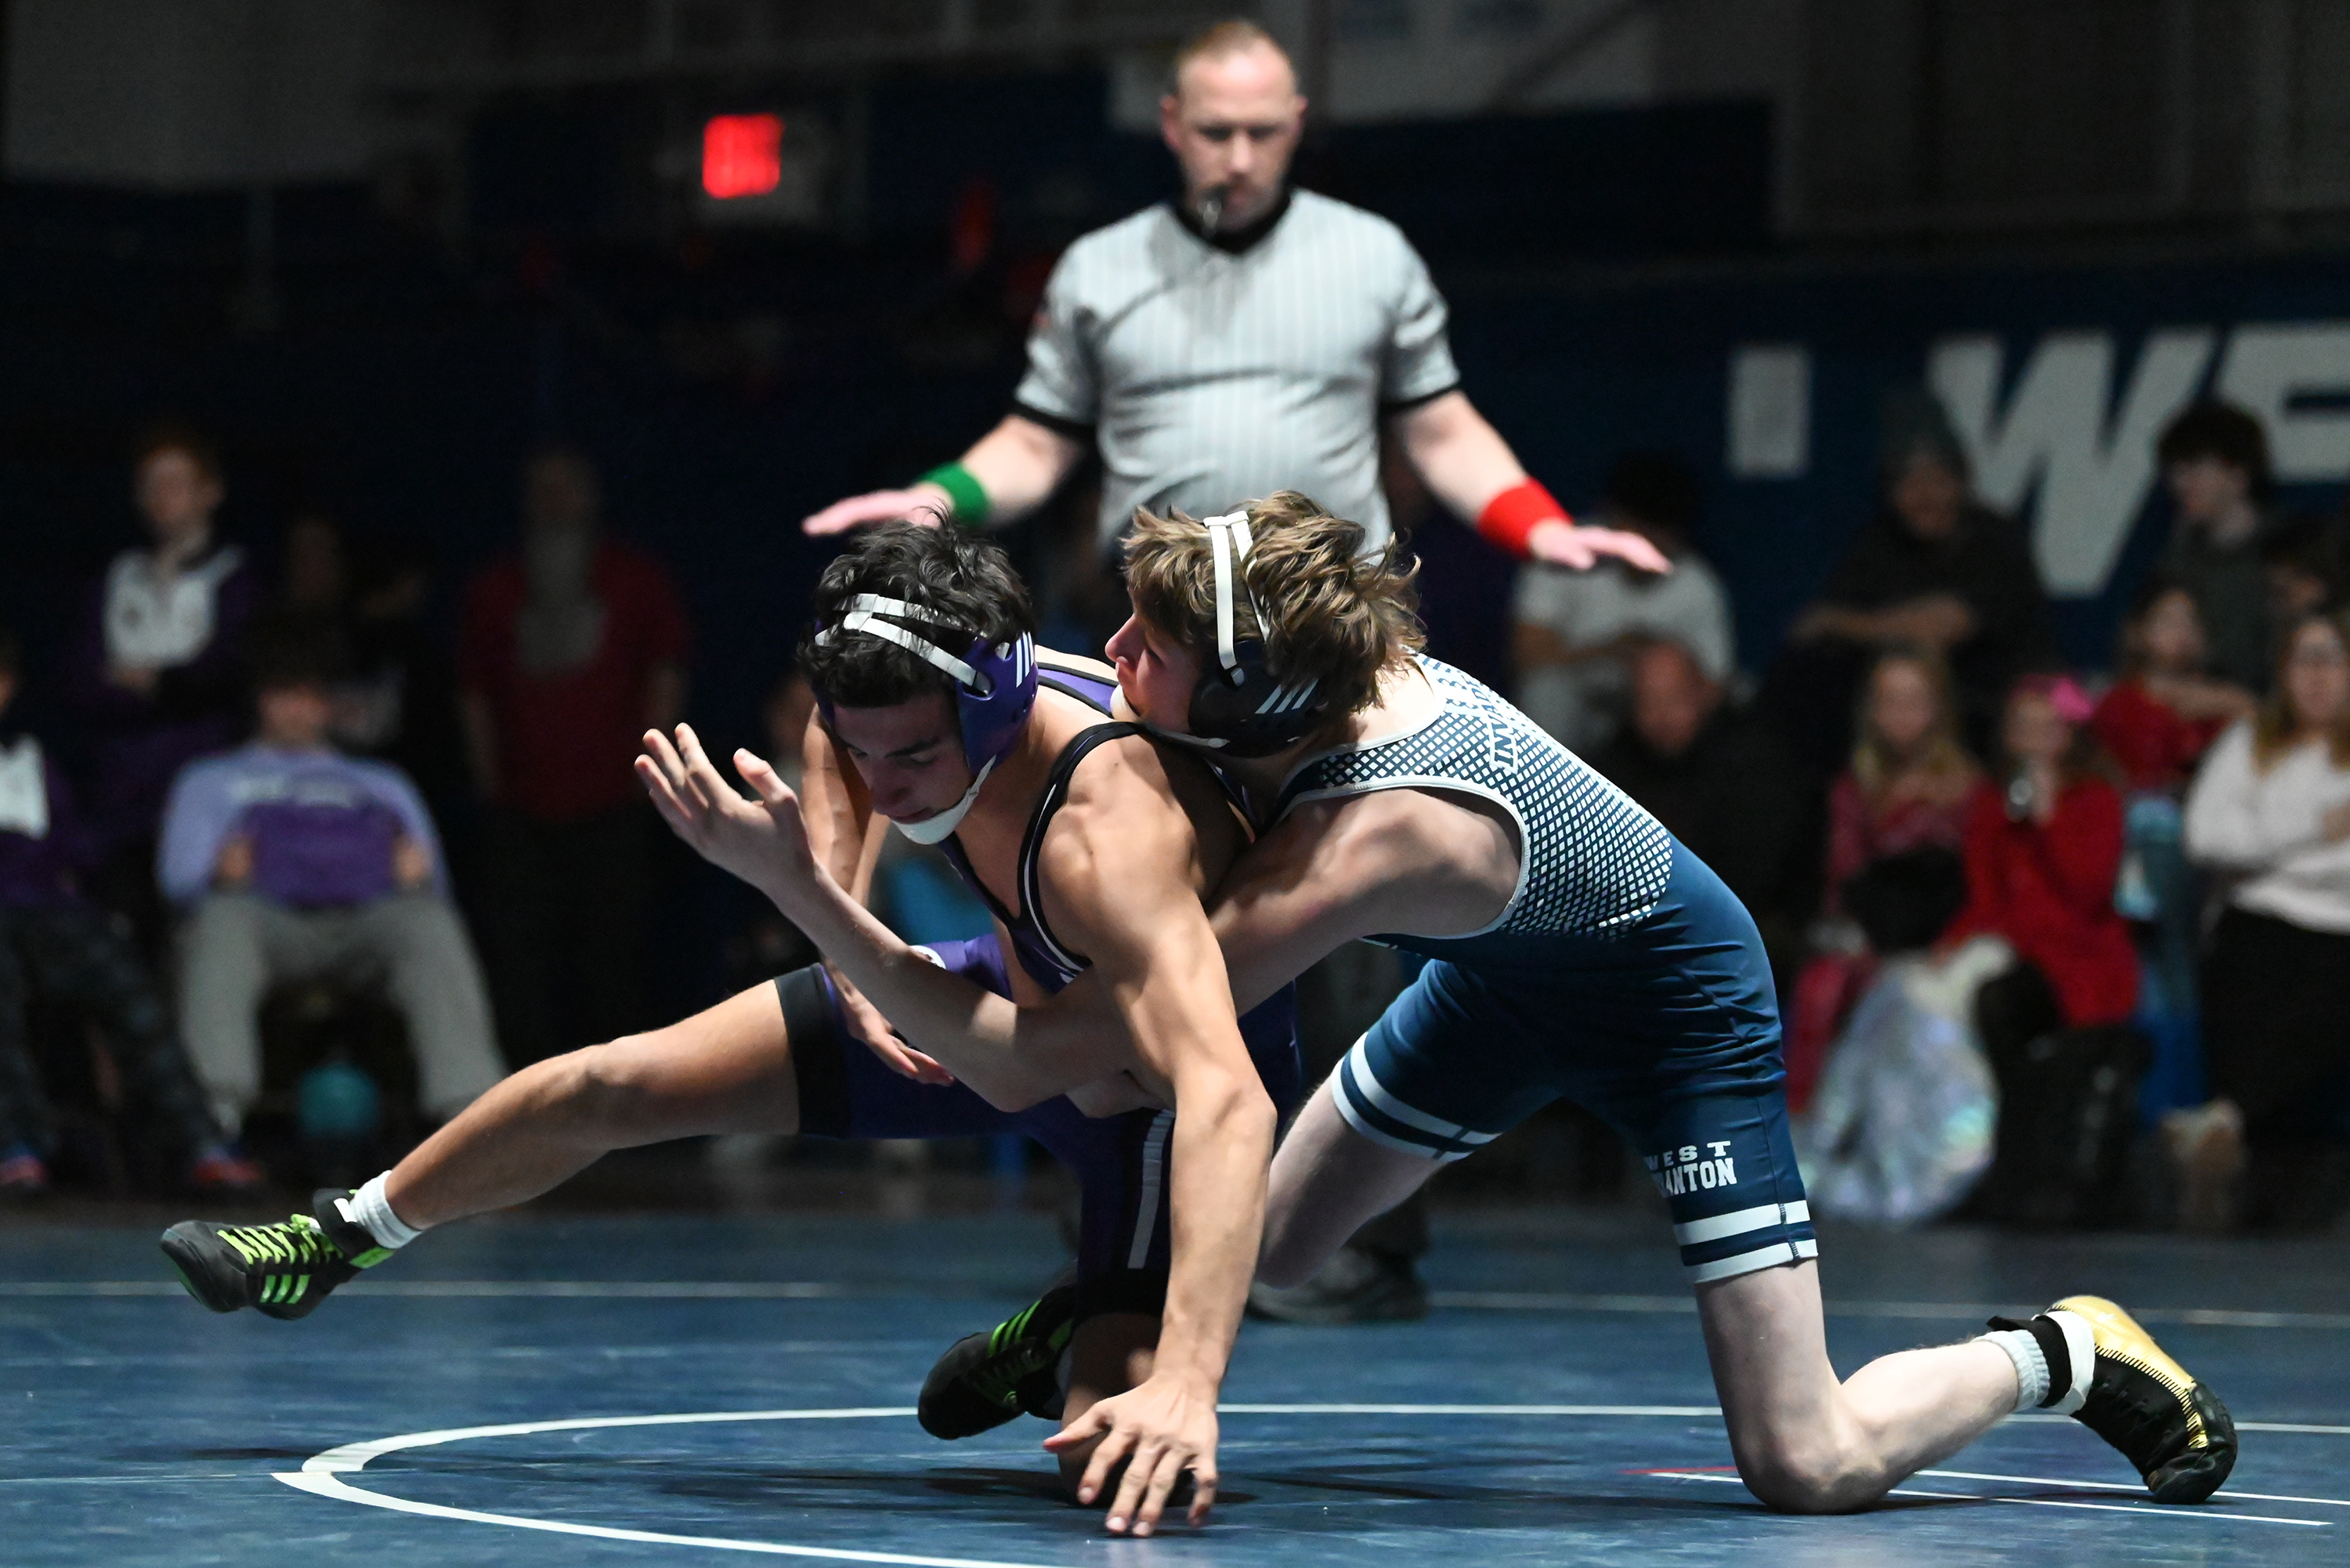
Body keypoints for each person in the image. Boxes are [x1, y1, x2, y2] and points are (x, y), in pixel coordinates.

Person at [704, 493, 2234, 1519]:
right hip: (1500, 987)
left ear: (1243, 705)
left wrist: (1187, 1387)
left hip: (1678, 1008)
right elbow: (1027, 679)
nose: (1106, 664)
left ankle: (2068, 1347)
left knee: (1807, 1459)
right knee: (1262, 1250)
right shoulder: (1274, 669)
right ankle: (1083, 1315)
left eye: (1142, 651)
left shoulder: (1372, 835)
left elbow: (1067, 1050)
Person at [159, 523, 1300, 1539]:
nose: (888, 784)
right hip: (1002, 1005)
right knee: (616, 1082)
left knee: (1112, 1466)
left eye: (913, 757)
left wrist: (1189, 1383)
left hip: (1154, 1103)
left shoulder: (1108, 836)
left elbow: (1228, 1099)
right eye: (867, 749)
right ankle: (335, 1237)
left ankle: (1066, 1325)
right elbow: (837, 742)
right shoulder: (915, 700)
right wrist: (845, 934)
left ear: (997, 707)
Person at [801, 20, 1664, 583]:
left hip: (1338, 610)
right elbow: (1035, 443)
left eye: (1263, 131)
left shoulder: (1374, 255)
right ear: (1172, 125)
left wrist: (1540, 528)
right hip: (1156, 619)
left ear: (1297, 122)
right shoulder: (1099, 269)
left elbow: (1443, 432)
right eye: (1217, 132)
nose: (1241, 158)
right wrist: (937, 499)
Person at [159, 620, 504, 1138]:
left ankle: (472, 1120)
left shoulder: (380, 782)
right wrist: (219, 872)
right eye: (284, 694)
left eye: (311, 695)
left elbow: (436, 884)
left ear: (329, 703)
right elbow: (177, 883)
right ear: (259, 699)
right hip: (266, 924)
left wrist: (417, 874)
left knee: (429, 923)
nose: (297, 709)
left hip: (363, 924)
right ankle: (214, 1118)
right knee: (218, 921)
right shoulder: (212, 780)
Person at [0, 625, 255, 1196]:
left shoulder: (31, 761)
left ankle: (200, 1143)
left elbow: (76, 847)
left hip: (49, 913)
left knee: (129, 987)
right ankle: (14, 1146)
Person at [459, 445, 690, 1064]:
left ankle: (622, 1086)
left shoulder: (636, 579)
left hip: (615, 802)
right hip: (519, 808)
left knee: (615, 956)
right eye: (542, 490)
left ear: (592, 497)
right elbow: (474, 692)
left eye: (566, 488)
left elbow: (664, 674)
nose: (554, 503)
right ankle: (526, 1089)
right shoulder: (495, 587)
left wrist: (652, 774)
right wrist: (489, 783)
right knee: (520, 962)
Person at [1767, 390, 2057, 768]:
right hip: (1899, 721)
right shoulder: (1878, 545)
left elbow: (1939, 627)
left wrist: (1838, 622)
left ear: (1961, 480)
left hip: (1992, 719)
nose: (1924, 496)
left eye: (1937, 480)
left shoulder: (1996, 540)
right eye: (1908, 484)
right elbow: (1814, 629)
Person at [2178, 610, 2350, 1231]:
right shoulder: (2249, 742)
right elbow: (2204, 839)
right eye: (2305, 659)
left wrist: (2261, 849)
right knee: (2247, 963)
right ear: (2282, 671)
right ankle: (2231, 1147)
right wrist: (2316, 831)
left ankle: (2224, 1125)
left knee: (2328, 991)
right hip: (2255, 918)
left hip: (2340, 930)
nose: (2318, 676)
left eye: (2333, 659)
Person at [67, 426, 261, 947]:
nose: (161, 497)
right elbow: (84, 681)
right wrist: (156, 687)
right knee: (125, 926)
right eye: (150, 484)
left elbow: (224, 675)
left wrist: (155, 681)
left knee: (202, 928)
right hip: (123, 792)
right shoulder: (116, 579)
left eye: (176, 483)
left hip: (202, 781)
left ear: (210, 491)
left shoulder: (233, 577)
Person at [1783, 647, 1983, 1108]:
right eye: (1889, 701)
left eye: (1916, 701)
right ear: (1869, 711)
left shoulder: (1968, 791)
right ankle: (1806, 1124)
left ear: (1940, 709)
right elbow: (1845, 882)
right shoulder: (1854, 789)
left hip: (1947, 942)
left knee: (1914, 994)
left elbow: (1980, 884)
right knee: (1820, 985)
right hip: (1872, 937)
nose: (1902, 714)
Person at [1589, 638, 1810, 975]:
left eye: (1674, 702)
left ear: (1706, 694)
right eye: (1648, 704)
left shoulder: (1755, 764)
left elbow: (1754, 882)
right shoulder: (1613, 766)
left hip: (1743, 937)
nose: (1661, 718)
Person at [1941, 674, 2137, 1054]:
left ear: (2069, 735)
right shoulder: (1991, 803)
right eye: (2023, 728)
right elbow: (1984, 892)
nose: (2034, 740)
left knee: (2000, 1000)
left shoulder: (2095, 800)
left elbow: (2090, 892)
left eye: (2047, 728)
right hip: (2009, 948)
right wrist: (1955, 940)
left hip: (2077, 959)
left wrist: (2050, 821)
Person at [1513, 453, 1735, 753]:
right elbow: (1526, 655)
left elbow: (1717, 683)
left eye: (1661, 529)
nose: (1650, 540)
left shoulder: (1697, 584)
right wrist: (1611, 650)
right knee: (1548, 689)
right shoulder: (1567, 553)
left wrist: (1655, 665)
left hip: (1651, 722)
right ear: (1614, 516)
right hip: (1580, 703)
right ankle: (1543, 779)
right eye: (1640, 525)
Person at [2157, 401, 2278, 692]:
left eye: (2195, 468)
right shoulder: (2175, 563)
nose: (2181, 483)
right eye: (2175, 470)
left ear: (2239, 474)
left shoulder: (2288, 552)